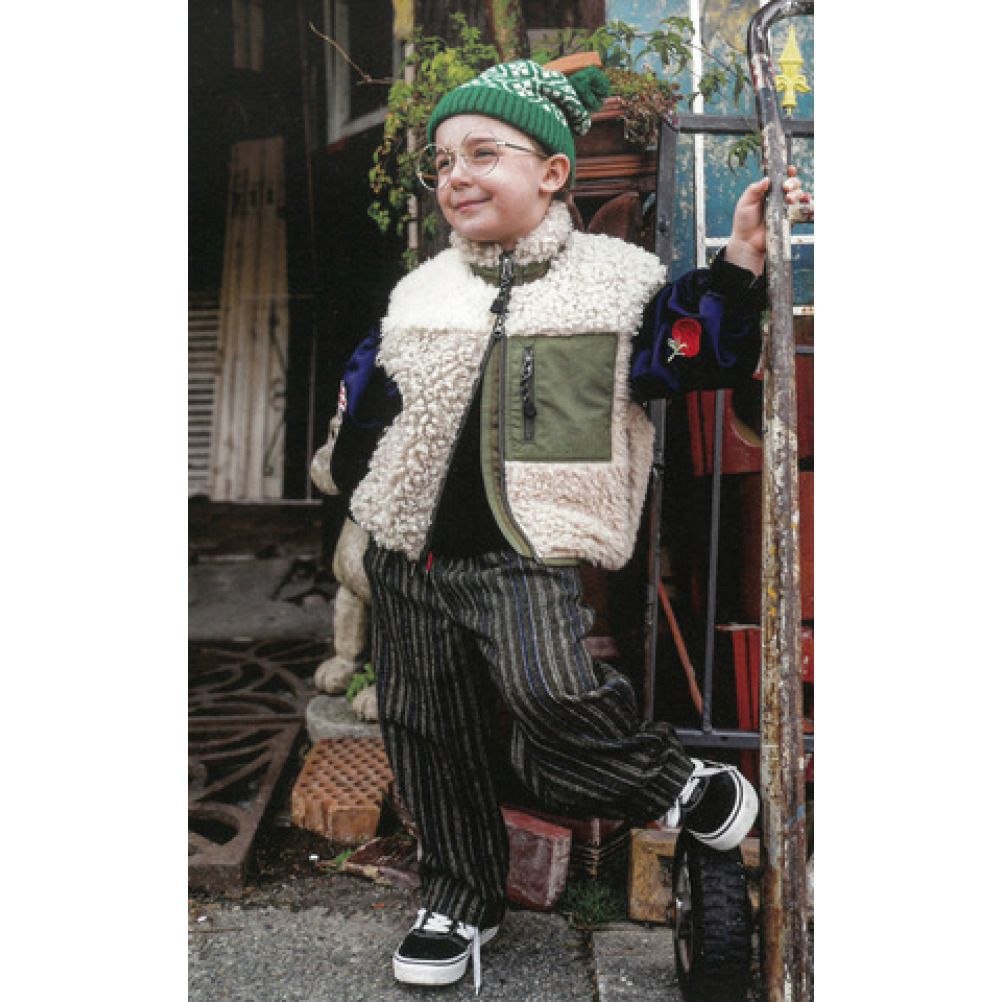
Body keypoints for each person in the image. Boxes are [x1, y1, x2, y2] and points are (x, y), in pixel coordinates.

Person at [312, 59, 808, 993]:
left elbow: (693, 354)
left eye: (483, 154)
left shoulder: (615, 287)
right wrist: (348, 477)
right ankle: (458, 899)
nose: (456, 175)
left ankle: (681, 783)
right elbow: (369, 394)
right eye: (442, 161)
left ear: (550, 173)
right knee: (427, 729)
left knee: (552, 693)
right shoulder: (423, 292)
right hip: (410, 552)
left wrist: (741, 264)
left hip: (522, 550)